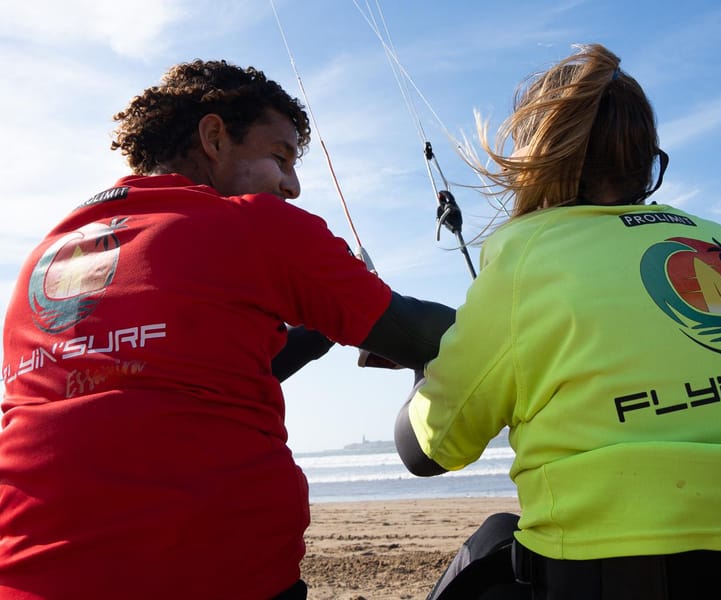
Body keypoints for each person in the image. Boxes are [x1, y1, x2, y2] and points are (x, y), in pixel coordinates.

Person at [0, 59, 454, 599]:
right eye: (280, 158)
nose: (293, 186)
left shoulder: (46, 257)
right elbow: (433, 336)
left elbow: (172, 373)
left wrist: (325, 328)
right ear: (214, 137)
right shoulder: (251, 223)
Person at [394, 44, 721, 599]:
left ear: (538, 164)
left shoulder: (523, 256)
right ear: (648, 163)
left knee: (492, 541)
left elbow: (427, 451)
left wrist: (424, 361)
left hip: (626, 574)